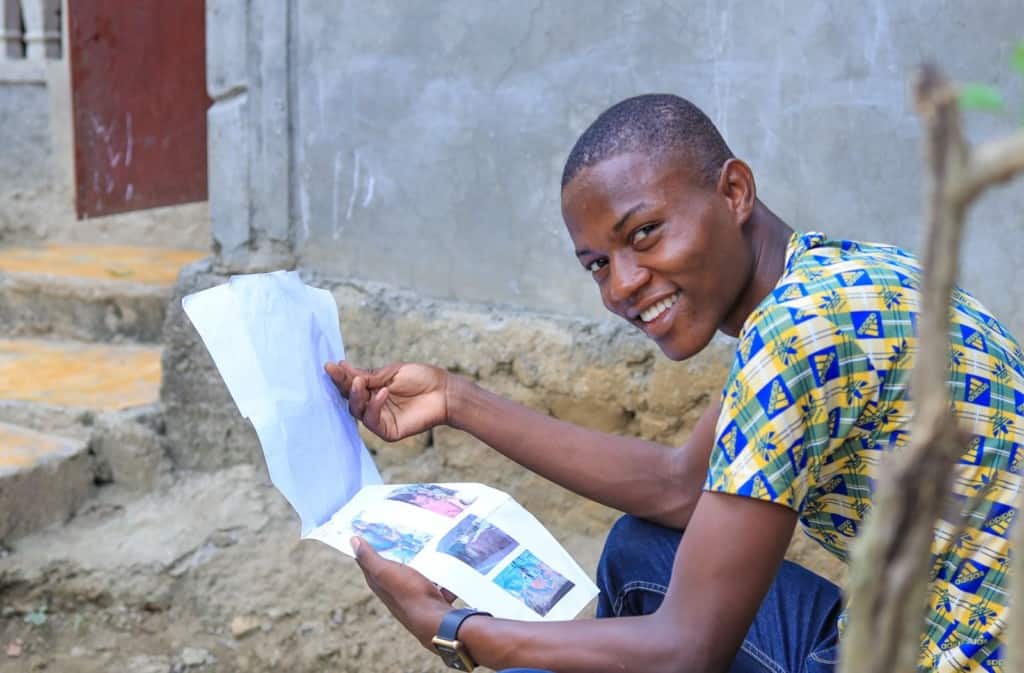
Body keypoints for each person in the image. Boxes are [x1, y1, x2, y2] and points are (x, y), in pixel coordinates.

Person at [325, 94, 1023, 673]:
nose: (624, 284)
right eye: (598, 264)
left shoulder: (795, 336)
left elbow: (687, 649)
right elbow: (681, 486)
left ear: (734, 191)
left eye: (646, 232)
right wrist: (454, 397)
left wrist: (457, 628)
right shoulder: (837, 278)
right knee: (640, 550)